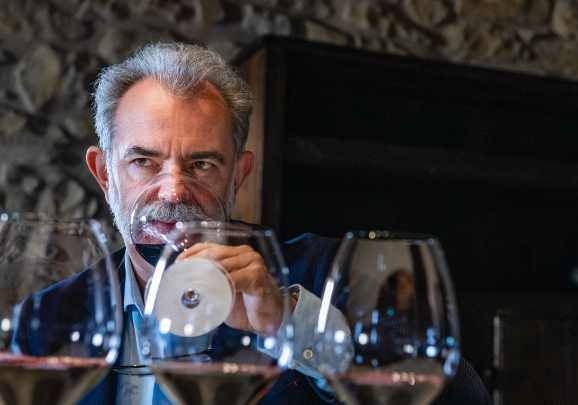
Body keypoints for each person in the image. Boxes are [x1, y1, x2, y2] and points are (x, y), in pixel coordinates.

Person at [19, 42, 492, 404]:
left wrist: (290, 324)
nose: (174, 191)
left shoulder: (324, 273)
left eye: (202, 164)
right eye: (144, 161)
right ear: (105, 175)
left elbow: (461, 398)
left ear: (239, 175)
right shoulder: (42, 321)